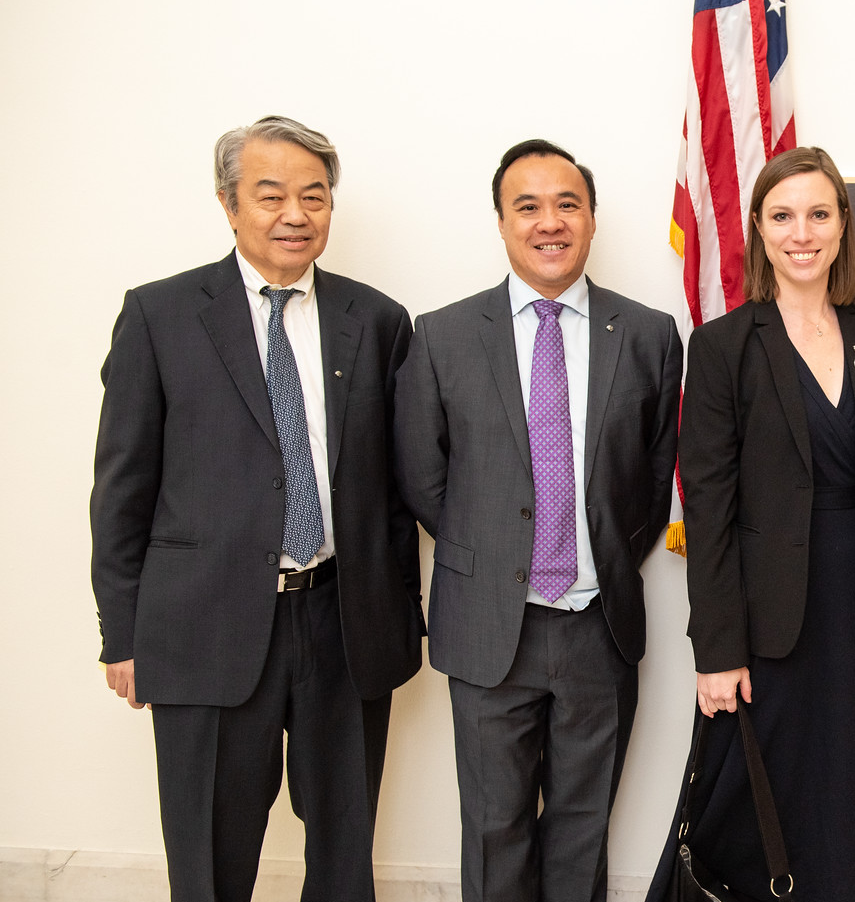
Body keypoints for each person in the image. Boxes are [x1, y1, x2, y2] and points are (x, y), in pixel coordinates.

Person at [89, 115, 423, 902]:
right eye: (270, 195)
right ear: (228, 204)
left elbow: (394, 492)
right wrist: (121, 633)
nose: (295, 215)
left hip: (341, 621)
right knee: (210, 846)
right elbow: (121, 489)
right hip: (201, 626)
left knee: (345, 850)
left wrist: (400, 610)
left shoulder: (376, 321)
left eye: (314, 195)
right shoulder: (160, 315)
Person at [393, 138, 681, 902]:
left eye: (567, 204)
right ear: (500, 221)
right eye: (528, 206)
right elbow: (425, 479)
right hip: (491, 625)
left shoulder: (649, 334)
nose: (549, 222)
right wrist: (494, 554)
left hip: (600, 623)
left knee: (584, 828)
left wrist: (603, 555)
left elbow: (652, 478)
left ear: (591, 219)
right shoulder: (442, 335)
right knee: (494, 829)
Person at [645, 146, 855, 902]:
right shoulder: (725, 346)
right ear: (761, 233)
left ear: (841, 227)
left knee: (840, 791)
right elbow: (708, 507)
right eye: (782, 216)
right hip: (764, 624)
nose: (802, 232)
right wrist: (717, 649)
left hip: (854, 611)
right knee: (749, 802)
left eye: (819, 214)